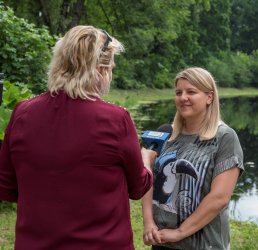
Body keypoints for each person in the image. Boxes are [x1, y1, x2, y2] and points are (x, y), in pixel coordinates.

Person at [0, 25, 155, 250]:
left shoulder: (22, 112)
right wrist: (146, 161)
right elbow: (138, 187)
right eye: (111, 67)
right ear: (100, 70)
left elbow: (6, 188)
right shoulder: (116, 119)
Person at [142, 67, 244, 250]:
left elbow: (219, 197)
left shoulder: (224, 137)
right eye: (178, 92)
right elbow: (150, 180)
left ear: (209, 97)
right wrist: (149, 223)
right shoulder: (167, 134)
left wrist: (179, 233)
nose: (183, 98)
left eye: (191, 92)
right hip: (163, 240)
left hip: (204, 244)